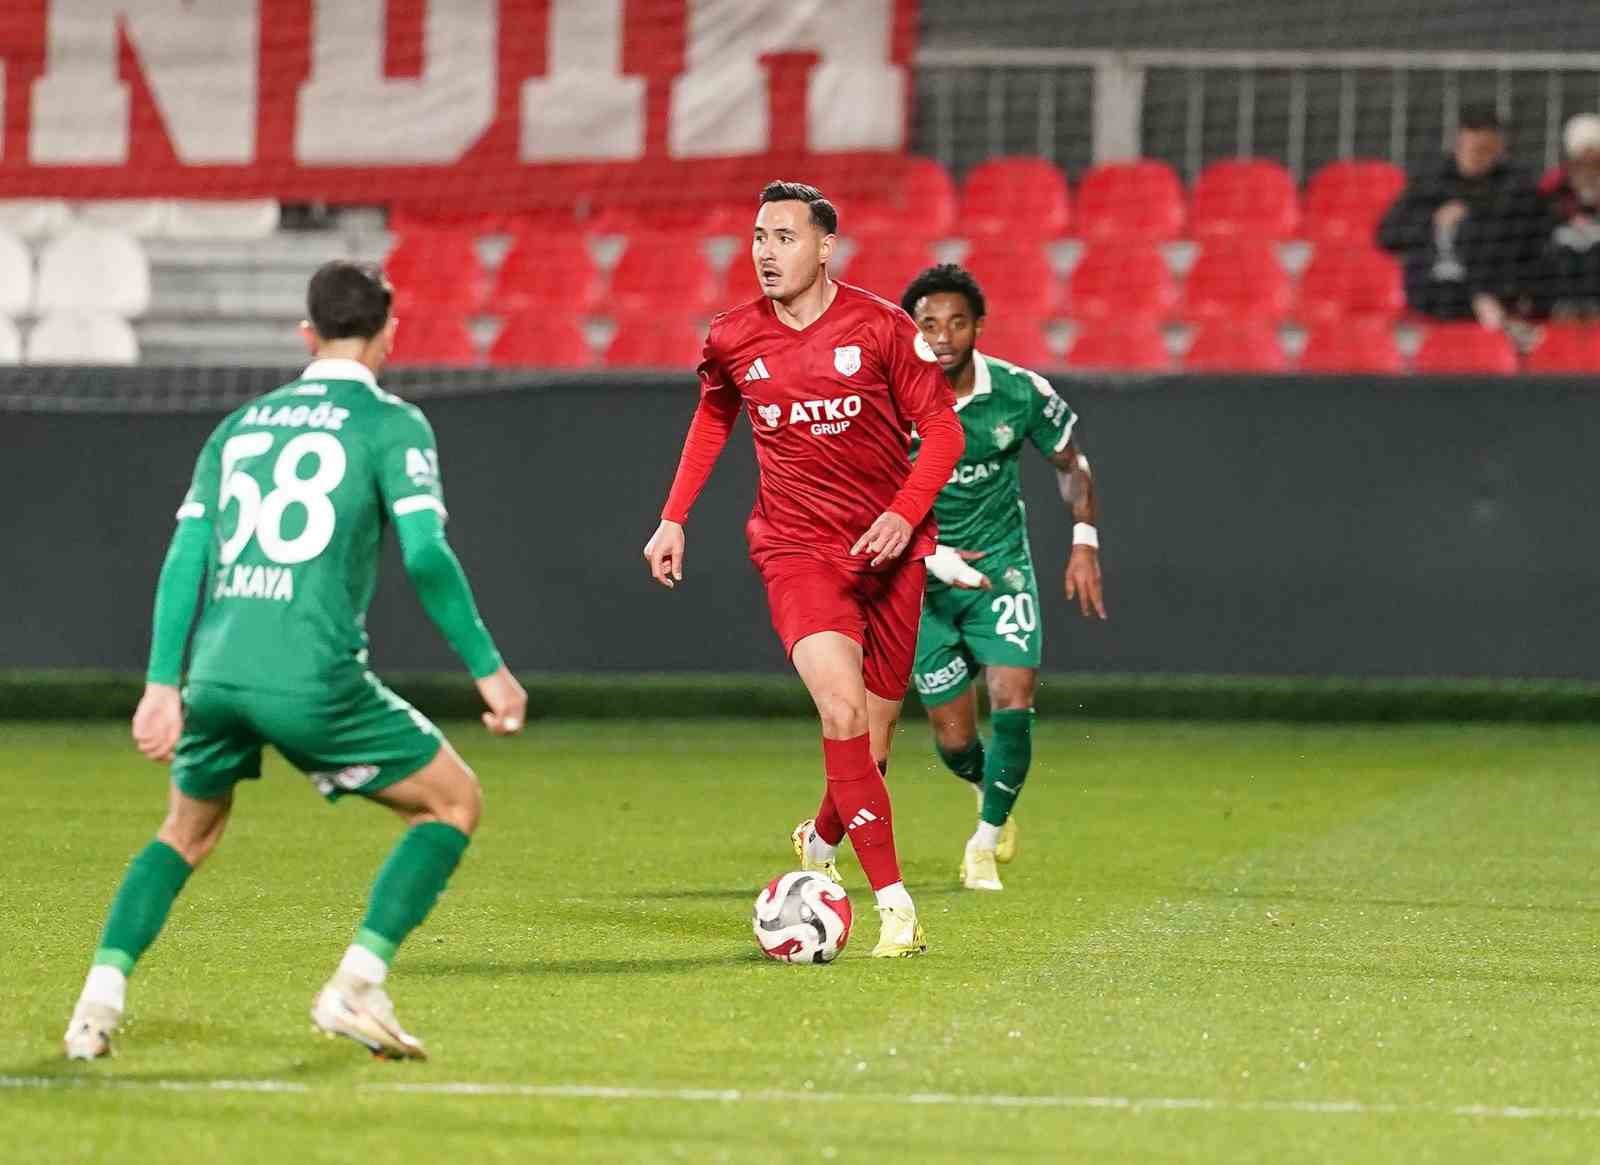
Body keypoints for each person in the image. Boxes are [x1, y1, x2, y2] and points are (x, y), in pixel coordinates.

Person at [62, 261, 527, 1061]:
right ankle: (356, 984)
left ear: (306, 334)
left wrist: (162, 684)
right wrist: (488, 667)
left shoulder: (239, 426)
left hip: (214, 673)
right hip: (311, 676)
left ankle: (95, 1005)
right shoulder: (392, 424)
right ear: (389, 333)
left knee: (185, 831)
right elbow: (425, 554)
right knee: (453, 802)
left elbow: (186, 556)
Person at [642, 181, 965, 958]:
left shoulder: (882, 328)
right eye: (759, 236)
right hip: (797, 551)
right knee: (841, 712)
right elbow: (714, 411)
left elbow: (943, 430)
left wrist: (903, 511)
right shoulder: (732, 337)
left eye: (784, 237)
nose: (766, 251)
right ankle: (896, 909)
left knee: (871, 747)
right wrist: (674, 514)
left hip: (890, 553)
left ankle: (820, 840)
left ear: (825, 248)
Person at [900, 265, 1106, 893]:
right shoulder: (887, 400)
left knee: (1014, 698)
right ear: (911, 330)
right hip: (922, 578)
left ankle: (985, 842)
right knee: (953, 738)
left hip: (1000, 570)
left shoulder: (1020, 392)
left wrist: (1084, 540)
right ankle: (984, 783)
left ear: (978, 327)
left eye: (956, 323)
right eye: (928, 324)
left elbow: (1070, 463)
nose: (942, 337)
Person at [1377, 105, 1546, 328]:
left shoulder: (1516, 187)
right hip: (1434, 292)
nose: (1472, 156)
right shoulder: (1432, 181)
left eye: (1482, 150)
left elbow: (1531, 243)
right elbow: (1388, 235)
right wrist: (1433, 222)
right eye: (1465, 148)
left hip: (1496, 292)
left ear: (1499, 149)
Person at [1531, 113, 1600, 319]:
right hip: (1563, 244)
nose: (1588, 157)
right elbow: (1540, 206)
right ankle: (1563, 306)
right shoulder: (1557, 179)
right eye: (1584, 150)